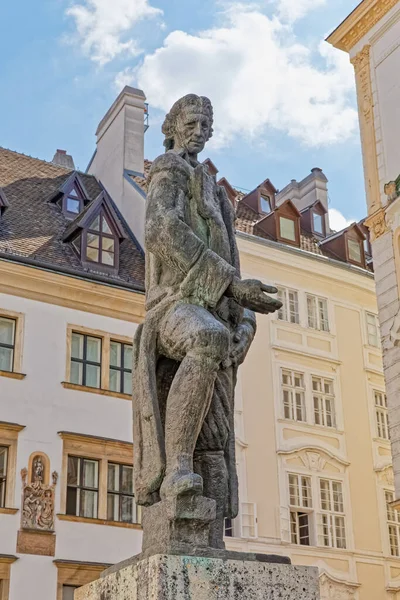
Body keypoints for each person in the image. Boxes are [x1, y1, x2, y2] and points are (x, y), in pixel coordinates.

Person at [133, 94, 281, 548]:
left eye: (206, 124)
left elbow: (231, 263)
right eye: (192, 122)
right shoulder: (169, 170)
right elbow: (160, 230)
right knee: (206, 336)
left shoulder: (217, 194)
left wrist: (246, 328)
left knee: (215, 440)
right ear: (174, 127)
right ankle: (176, 466)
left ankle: (209, 535)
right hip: (172, 305)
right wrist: (234, 290)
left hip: (216, 306)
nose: (199, 130)